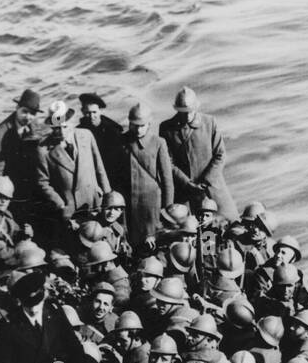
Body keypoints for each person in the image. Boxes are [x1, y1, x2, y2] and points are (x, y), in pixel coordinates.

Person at [159, 86, 238, 221]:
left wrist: (204, 182)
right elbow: (168, 162)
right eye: (182, 112)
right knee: (186, 227)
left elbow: (220, 154)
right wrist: (187, 183)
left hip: (211, 186)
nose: (187, 115)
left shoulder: (209, 122)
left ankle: (211, 241)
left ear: (196, 108)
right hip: (184, 190)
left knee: (228, 222)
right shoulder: (166, 128)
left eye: (190, 111)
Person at [34, 103, 110, 224]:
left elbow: (99, 168)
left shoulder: (86, 135)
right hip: (70, 210)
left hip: (94, 202)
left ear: (73, 123)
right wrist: (61, 205)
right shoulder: (44, 150)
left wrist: (108, 196)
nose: (61, 132)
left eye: (65, 127)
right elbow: (42, 182)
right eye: (57, 128)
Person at [113, 103, 175, 248]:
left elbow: (167, 181)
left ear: (149, 124)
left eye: (142, 125)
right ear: (129, 123)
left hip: (151, 205)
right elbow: (115, 176)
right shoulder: (121, 141)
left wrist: (168, 211)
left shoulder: (158, 143)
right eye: (134, 125)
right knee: (131, 242)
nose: (138, 129)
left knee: (153, 243)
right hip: (128, 204)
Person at [0, 89, 43, 202]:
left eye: (32, 113)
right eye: (25, 111)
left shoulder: (33, 125)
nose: (28, 117)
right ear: (17, 108)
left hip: (30, 183)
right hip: (10, 188)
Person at [77, 93, 124, 175]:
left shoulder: (113, 130)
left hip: (112, 172)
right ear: (82, 112)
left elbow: (118, 159)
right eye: (88, 113)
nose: (92, 116)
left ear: (100, 111)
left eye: (94, 112)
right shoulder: (78, 131)